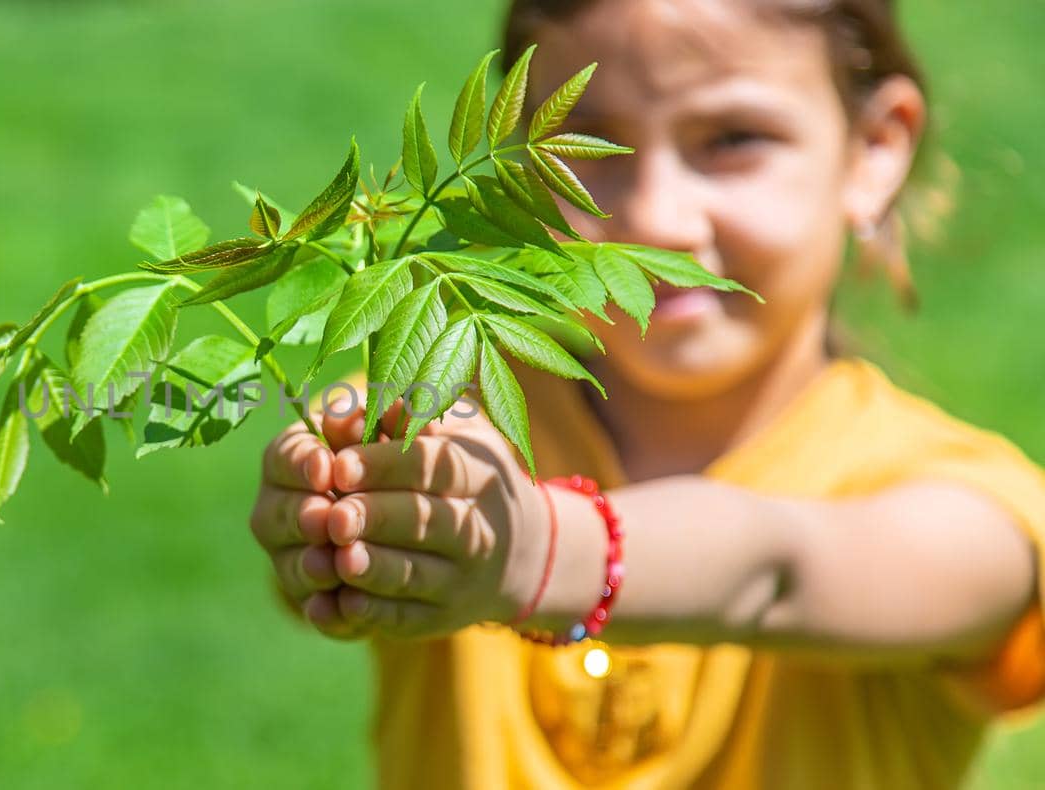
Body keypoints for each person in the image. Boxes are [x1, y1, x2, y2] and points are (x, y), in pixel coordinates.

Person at [248, 0, 1045, 787]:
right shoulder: (446, 412)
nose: (655, 219)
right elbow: (363, 517)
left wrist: (535, 549)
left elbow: (778, 573)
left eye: (732, 140)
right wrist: (339, 522)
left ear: (874, 149)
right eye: (585, 148)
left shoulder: (976, 512)